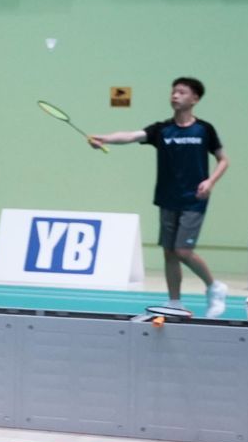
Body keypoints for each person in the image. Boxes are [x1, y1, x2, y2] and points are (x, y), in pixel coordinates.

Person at [87, 78, 231, 317]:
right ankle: (174, 303)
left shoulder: (204, 129)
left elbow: (223, 160)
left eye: (182, 92)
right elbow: (131, 136)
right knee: (169, 252)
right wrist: (104, 138)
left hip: (194, 199)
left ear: (195, 99)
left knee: (183, 251)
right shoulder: (162, 130)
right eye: (173, 92)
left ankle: (214, 286)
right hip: (167, 198)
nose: (175, 96)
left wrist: (210, 181)